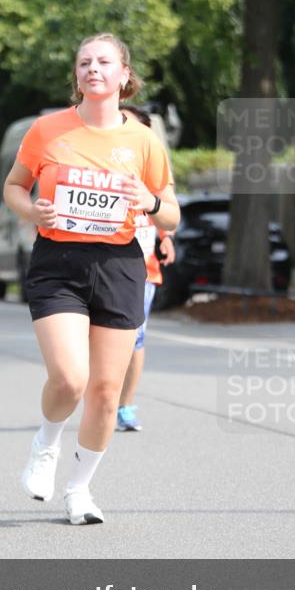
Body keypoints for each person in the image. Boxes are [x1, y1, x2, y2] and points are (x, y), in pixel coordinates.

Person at [3, 33, 179, 525]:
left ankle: (79, 491)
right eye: (84, 62)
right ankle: (46, 443)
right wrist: (31, 209)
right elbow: (14, 186)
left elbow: (172, 216)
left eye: (104, 62)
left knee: (105, 392)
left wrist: (146, 202)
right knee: (70, 378)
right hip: (58, 261)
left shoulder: (144, 141)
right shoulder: (47, 130)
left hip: (120, 264)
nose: (93, 69)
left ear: (125, 75)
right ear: (76, 76)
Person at [116, 105, 176, 432]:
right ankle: (98, 395)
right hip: (99, 262)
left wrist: (166, 237)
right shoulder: (100, 162)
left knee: (134, 339)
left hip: (143, 269)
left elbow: (166, 208)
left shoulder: (152, 168)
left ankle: (125, 405)